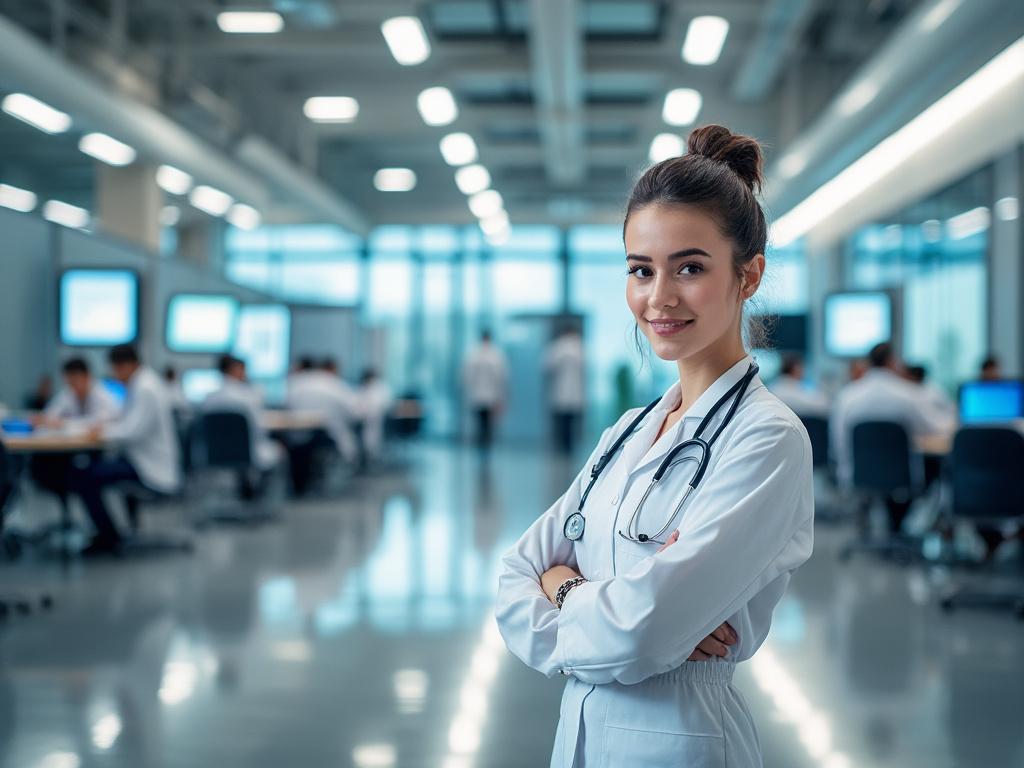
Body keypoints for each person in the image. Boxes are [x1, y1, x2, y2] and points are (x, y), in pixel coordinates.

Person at [496, 125, 814, 768]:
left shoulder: (767, 440)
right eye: (641, 270)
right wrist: (600, 605)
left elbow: (641, 634)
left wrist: (562, 586)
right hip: (579, 737)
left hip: (682, 741)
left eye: (690, 268)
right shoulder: (630, 432)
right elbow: (511, 583)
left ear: (748, 275)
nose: (659, 297)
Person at [830, 342, 953, 534]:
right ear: (891, 362)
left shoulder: (847, 396)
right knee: (933, 468)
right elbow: (935, 427)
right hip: (902, 476)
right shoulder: (907, 394)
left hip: (856, 473)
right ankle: (899, 527)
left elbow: (838, 441)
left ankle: (891, 526)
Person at [70, 345, 180, 554]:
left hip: (149, 467)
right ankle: (109, 533)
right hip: (141, 461)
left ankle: (109, 537)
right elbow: (127, 422)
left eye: (114, 368)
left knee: (84, 477)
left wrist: (101, 432)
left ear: (126, 365)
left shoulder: (145, 387)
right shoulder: (141, 383)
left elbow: (132, 431)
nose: (113, 374)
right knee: (88, 472)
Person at [203, 354, 283, 474]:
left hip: (215, 453)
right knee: (278, 449)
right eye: (243, 370)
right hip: (250, 452)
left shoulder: (209, 399)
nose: (245, 373)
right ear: (235, 369)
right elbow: (259, 429)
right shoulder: (249, 397)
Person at [34, 357, 120, 429]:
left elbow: (98, 422)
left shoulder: (101, 394)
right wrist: (44, 419)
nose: (72, 386)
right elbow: (50, 415)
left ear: (87, 376)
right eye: (69, 382)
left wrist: (64, 423)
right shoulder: (69, 392)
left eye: (75, 381)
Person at [461, 331, 508, 453]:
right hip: (490, 395)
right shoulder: (497, 355)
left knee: (481, 422)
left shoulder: (473, 354)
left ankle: (482, 444)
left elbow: (466, 377)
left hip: (477, 395)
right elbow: (502, 378)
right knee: (487, 423)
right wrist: (501, 396)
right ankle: (485, 445)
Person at [545, 327, 586, 454]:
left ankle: (561, 446)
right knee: (571, 421)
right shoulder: (579, 347)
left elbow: (548, 367)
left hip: (561, 389)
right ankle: (570, 447)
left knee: (561, 421)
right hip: (575, 390)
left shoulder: (558, 347)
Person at [357, 368, 393, 467]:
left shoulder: (379, 388)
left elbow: (379, 405)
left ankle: (371, 456)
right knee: (368, 436)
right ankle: (368, 456)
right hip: (367, 417)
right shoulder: (366, 388)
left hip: (375, 417)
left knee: (371, 435)